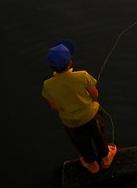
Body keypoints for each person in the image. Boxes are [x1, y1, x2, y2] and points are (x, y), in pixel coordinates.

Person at [42, 40, 117, 174]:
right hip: (92, 116)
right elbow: (95, 95)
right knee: (98, 135)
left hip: (71, 122)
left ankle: (92, 165)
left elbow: (54, 106)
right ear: (70, 62)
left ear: (52, 67)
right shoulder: (82, 75)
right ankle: (105, 158)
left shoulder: (47, 85)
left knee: (81, 143)